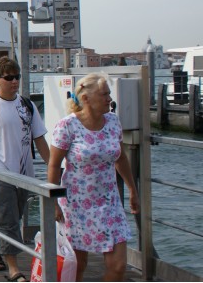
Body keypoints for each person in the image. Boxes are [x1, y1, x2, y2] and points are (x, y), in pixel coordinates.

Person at [47, 73, 140, 282]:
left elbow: (120, 158)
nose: (109, 99)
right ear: (86, 98)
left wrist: (132, 190)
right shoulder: (67, 126)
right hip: (76, 204)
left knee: (118, 266)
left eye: (109, 94)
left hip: (109, 202)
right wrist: (53, 203)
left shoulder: (113, 122)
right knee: (77, 266)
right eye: (104, 94)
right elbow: (53, 165)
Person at [0, 57, 50, 282]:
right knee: (9, 219)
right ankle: (14, 269)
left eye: (17, 77)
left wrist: (54, 167)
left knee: (13, 217)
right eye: (9, 78)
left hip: (24, 174)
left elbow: (40, 139)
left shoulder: (27, 105)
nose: (14, 81)